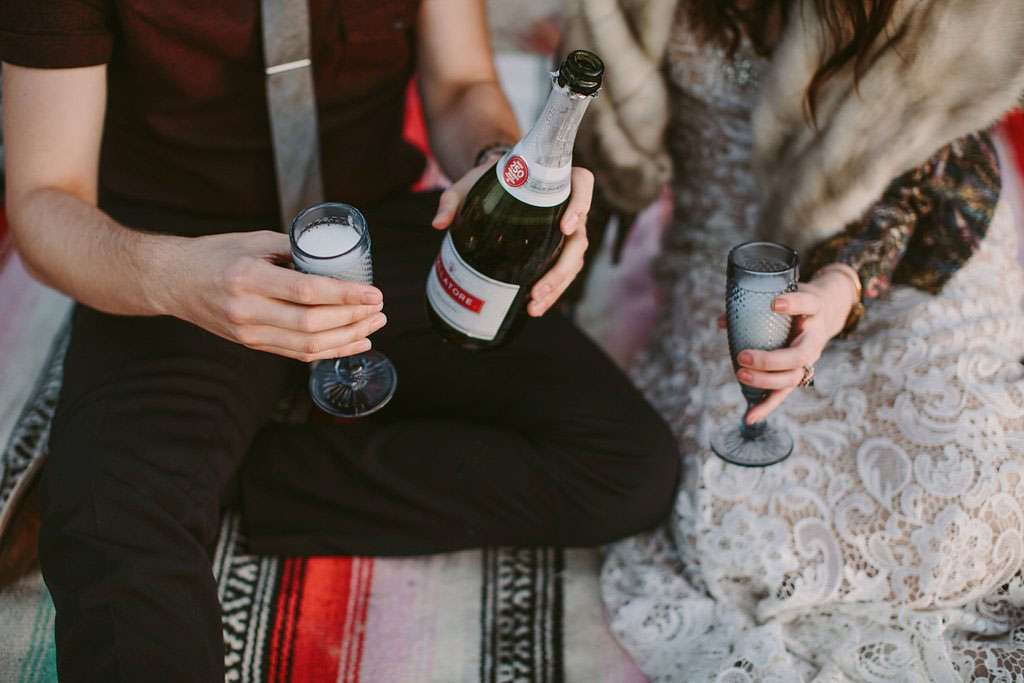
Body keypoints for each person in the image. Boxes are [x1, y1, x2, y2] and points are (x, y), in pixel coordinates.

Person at [0, 1, 679, 679]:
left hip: (377, 229)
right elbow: (43, 199)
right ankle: (148, 469)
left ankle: (240, 473)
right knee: (108, 530)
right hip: (180, 255)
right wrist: (176, 280)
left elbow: (461, 85)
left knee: (628, 468)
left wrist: (500, 166)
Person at [567, 0, 1024, 680]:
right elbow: (585, 117)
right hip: (734, 246)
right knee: (744, 538)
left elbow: (937, 150)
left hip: (907, 239)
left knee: (968, 494)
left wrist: (844, 284)